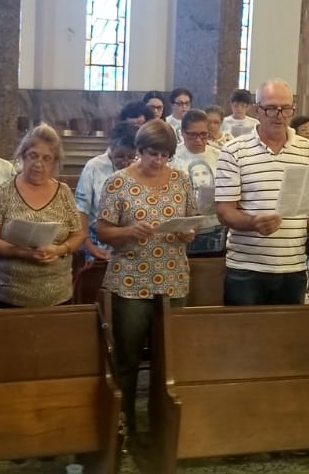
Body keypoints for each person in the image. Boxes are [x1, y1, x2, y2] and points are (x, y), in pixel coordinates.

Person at [96, 120, 198, 433]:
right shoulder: (118, 182)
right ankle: (123, 425)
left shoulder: (181, 180)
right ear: (140, 150)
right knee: (127, 358)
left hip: (173, 278)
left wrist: (188, 232)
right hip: (130, 281)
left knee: (167, 358)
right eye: (153, 153)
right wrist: (128, 231)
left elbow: (192, 220)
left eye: (165, 155)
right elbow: (102, 230)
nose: (159, 160)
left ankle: (161, 427)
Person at [215, 79, 309, 305]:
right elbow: (224, 211)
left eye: (286, 108)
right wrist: (253, 223)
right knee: (245, 329)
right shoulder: (234, 151)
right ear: (257, 110)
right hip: (246, 268)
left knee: (288, 329)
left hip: (293, 268)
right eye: (271, 108)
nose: (279, 115)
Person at [0, 124, 84, 307]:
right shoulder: (2, 192)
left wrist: (59, 250)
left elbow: (78, 235)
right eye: (33, 156)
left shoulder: (63, 192)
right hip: (7, 295)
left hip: (57, 296)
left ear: (54, 162)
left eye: (47, 158)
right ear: (23, 156)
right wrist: (23, 252)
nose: (39, 164)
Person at [75, 122, 138, 262]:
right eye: (120, 156)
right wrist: (89, 246)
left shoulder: (138, 167)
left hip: (129, 240)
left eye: (131, 156)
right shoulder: (94, 167)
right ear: (111, 146)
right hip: (96, 240)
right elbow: (81, 210)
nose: (126, 162)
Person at [172, 109, 223, 254]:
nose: (199, 140)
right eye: (192, 135)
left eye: (203, 134)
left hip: (215, 225)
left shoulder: (219, 156)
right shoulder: (172, 158)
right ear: (182, 133)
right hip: (182, 228)